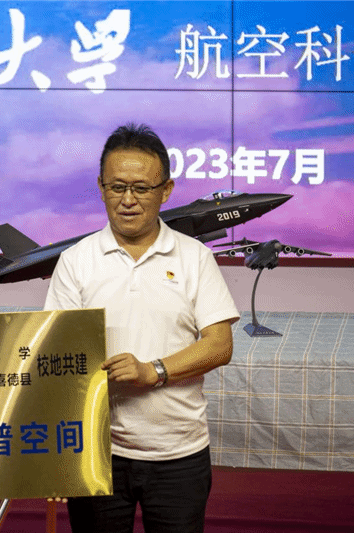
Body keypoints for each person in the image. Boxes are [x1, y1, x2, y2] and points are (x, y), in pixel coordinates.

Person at [44, 123, 239, 533]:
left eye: (141, 188)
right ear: (101, 188)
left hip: (179, 455)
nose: (128, 200)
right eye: (117, 187)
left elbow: (220, 344)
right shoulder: (76, 261)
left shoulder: (194, 258)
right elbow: (58, 359)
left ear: (166, 190)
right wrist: (61, 453)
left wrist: (154, 371)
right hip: (98, 453)